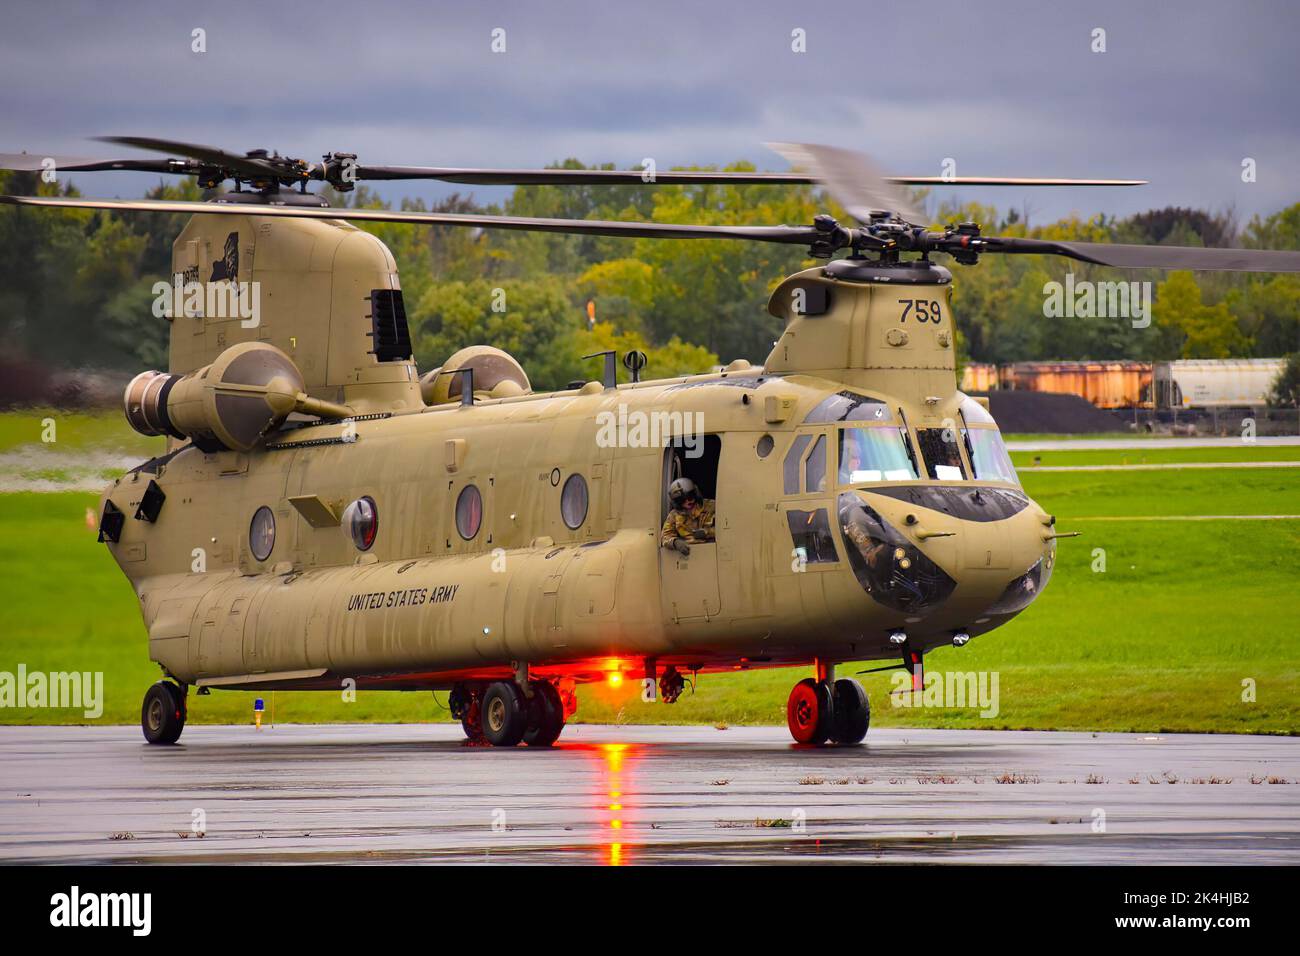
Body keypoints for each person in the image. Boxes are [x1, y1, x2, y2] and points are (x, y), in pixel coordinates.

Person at [660, 477, 715, 556]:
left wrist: (707, 532)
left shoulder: (712, 507)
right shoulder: (674, 515)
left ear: (695, 494)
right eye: (681, 500)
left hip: (712, 550)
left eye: (690, 497)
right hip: (689, 554)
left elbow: (729, 529)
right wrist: (675, 542)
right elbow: (665, 536)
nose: (687, 502)